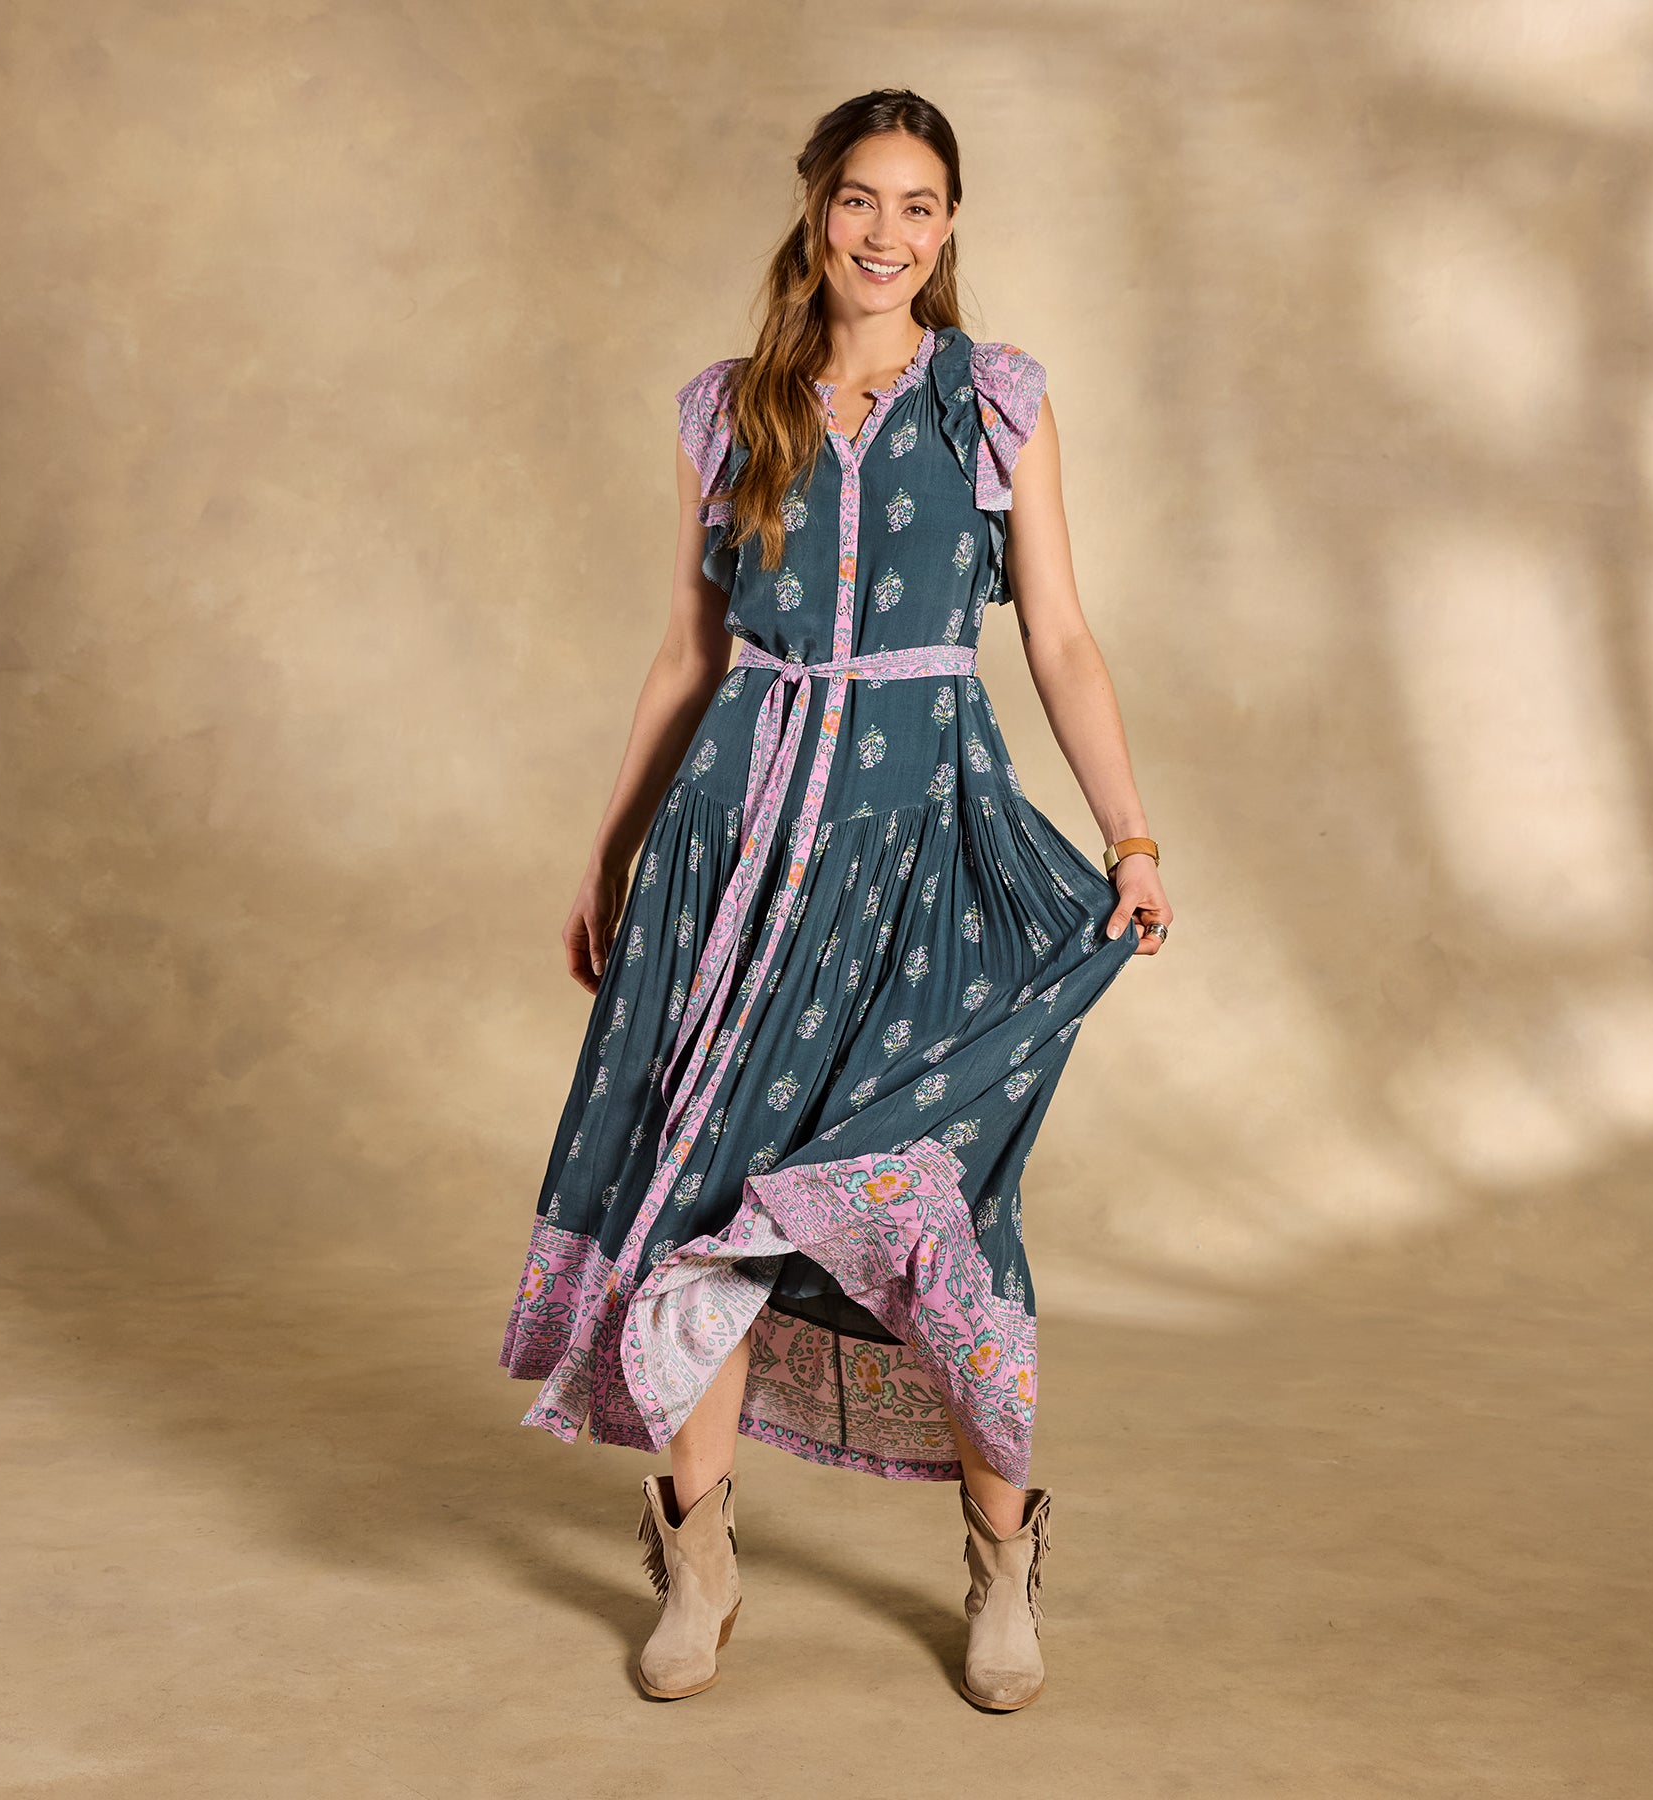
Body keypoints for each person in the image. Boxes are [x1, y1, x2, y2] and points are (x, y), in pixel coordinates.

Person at [498, 87, 1172, 1710]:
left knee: (940, 1206)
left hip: (927, 855)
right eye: (862, 198)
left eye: (919, 205)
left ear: (951, 225)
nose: (887, 232)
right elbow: (688, 655)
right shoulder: (727, 411)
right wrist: (610, 849)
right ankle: (700, 1553)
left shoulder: (992, 402)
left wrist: (1131, 836)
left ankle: (1000, 1561)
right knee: (705, 1194)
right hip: (738, 852)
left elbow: (1059, 636)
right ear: (817, 210)